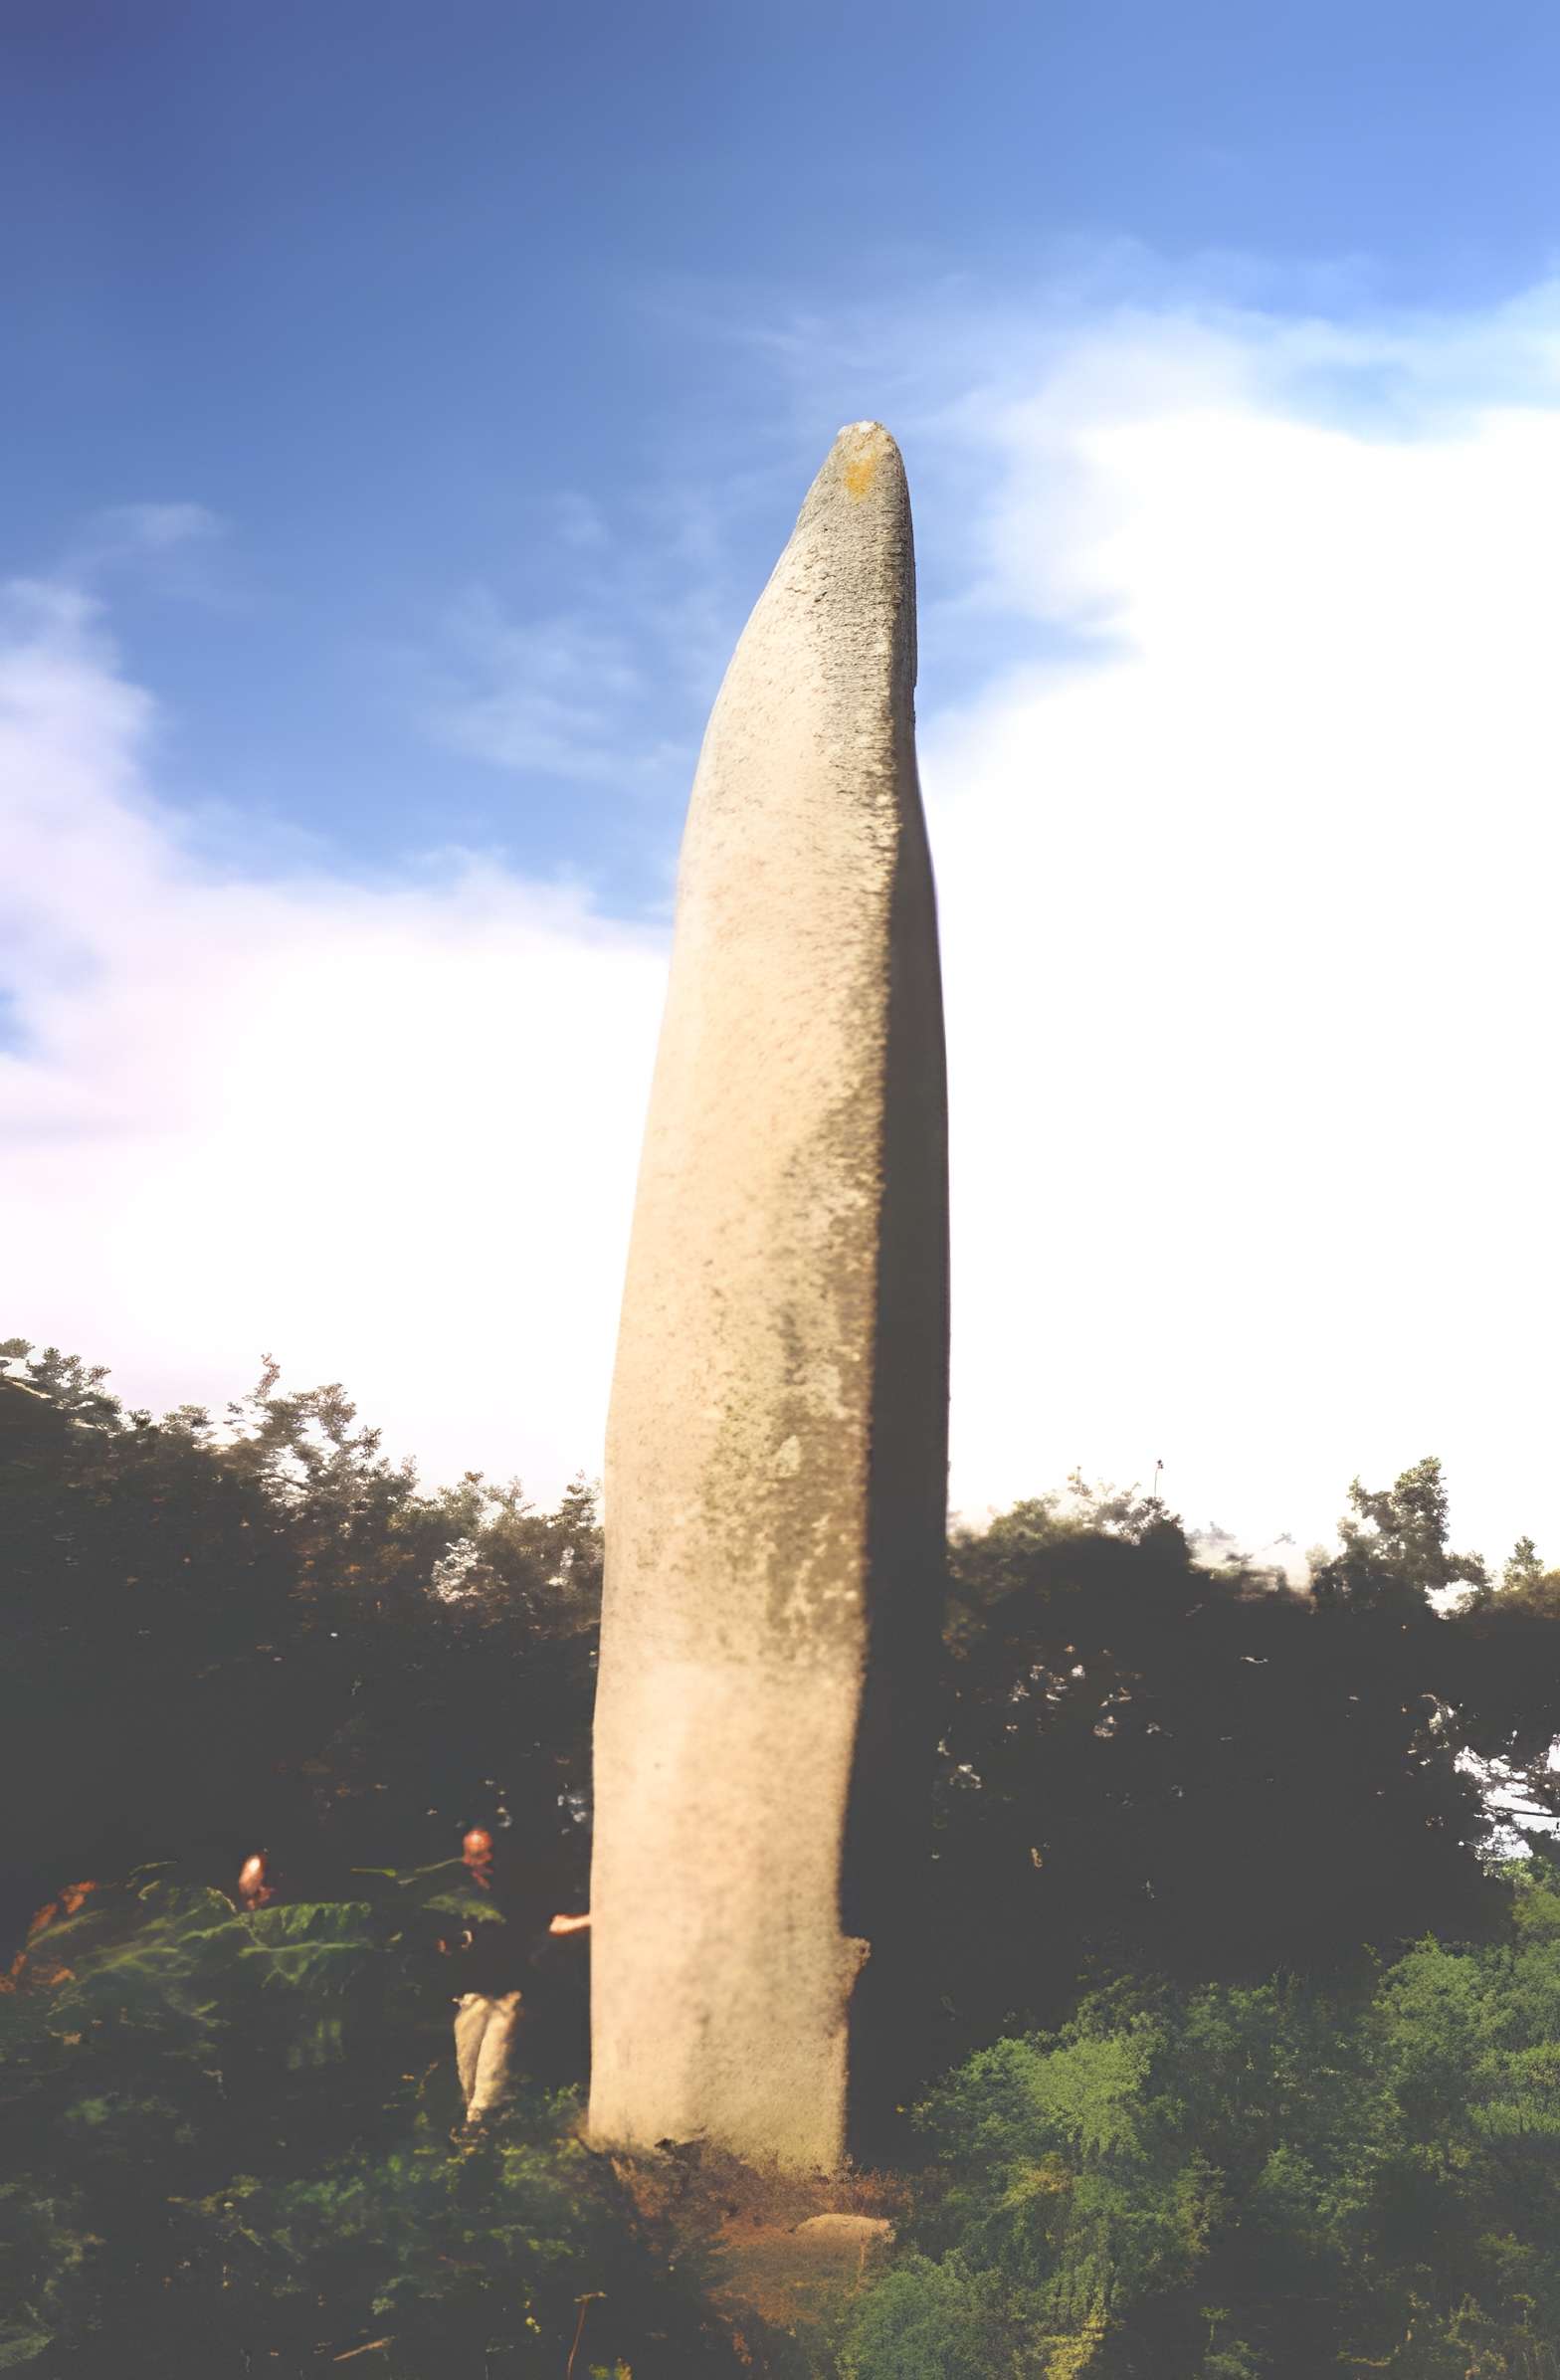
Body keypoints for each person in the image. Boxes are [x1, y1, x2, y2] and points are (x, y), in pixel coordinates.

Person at [445, 1825, 589, 2129]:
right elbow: (436, 1941)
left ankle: (478, 2128)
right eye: (479, 1855)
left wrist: (595, 1918)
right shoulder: (454, 1900)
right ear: (467, 1859)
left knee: (491, 2066)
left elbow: (553, 1923)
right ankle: (476, 2124)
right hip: (471, 1996)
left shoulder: (514, 1892)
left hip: (509, 1993)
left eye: (491, 1852)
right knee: (467, 2067)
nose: (488, 1860)